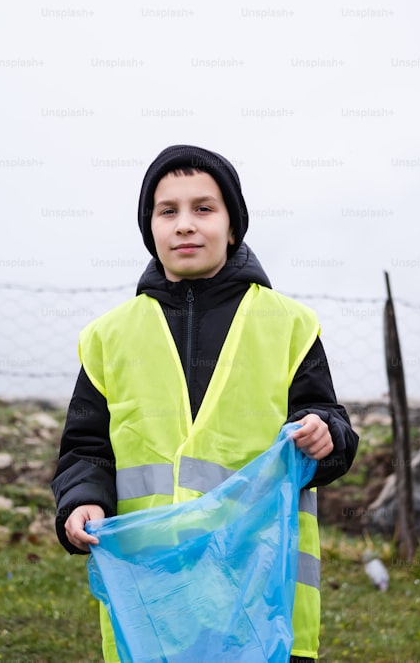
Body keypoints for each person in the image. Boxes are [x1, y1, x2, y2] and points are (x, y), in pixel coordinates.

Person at [51, 144, 359, 662]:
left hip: (261, 597)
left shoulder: (287, 325)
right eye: (167, 211)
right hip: (154, 598)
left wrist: (323, 434)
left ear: (233, 226)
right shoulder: (108, 337)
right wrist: (83, 500)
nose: (185, 225)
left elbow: (332, 430)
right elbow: (86, 448)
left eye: (203, 208)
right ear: (150, 229)